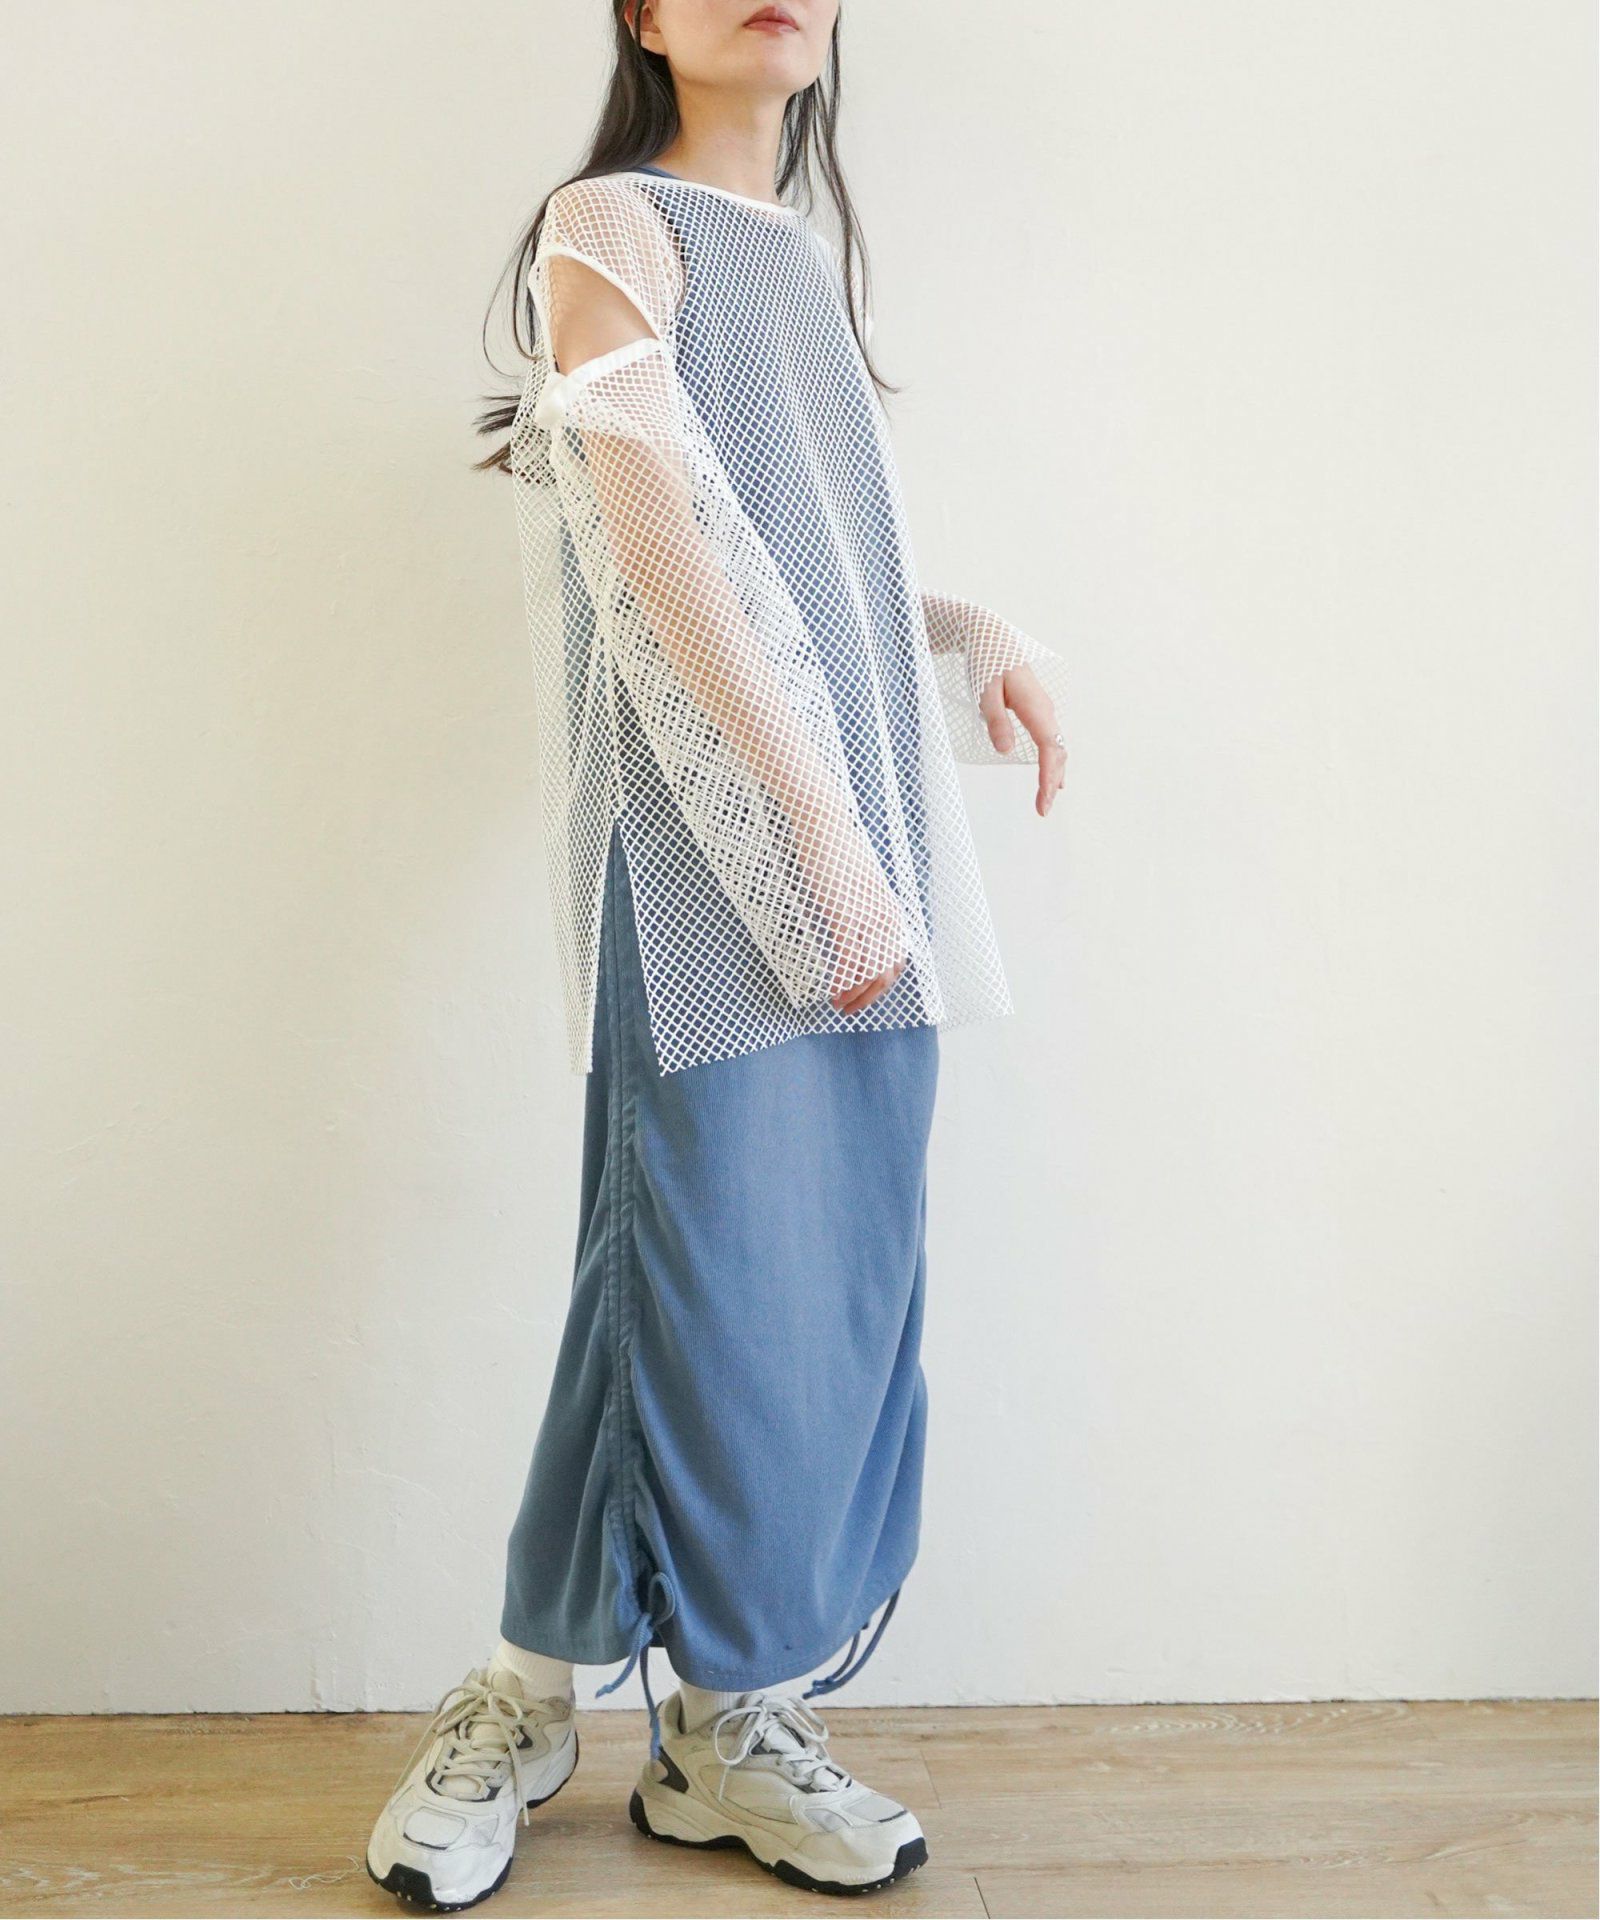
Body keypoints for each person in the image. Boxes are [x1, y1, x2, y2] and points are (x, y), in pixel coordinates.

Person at [365, 0, 1067, 1906]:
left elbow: (805, 561)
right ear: (641, 18)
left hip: (859, 848)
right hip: (713, 863)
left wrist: (972, 634)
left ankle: (714, 1725)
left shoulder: (802, 267)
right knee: (678, 1269)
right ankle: (534, 1697)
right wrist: (812, 854)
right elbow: (659, 541)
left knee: (806, 1294)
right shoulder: (611, 223)